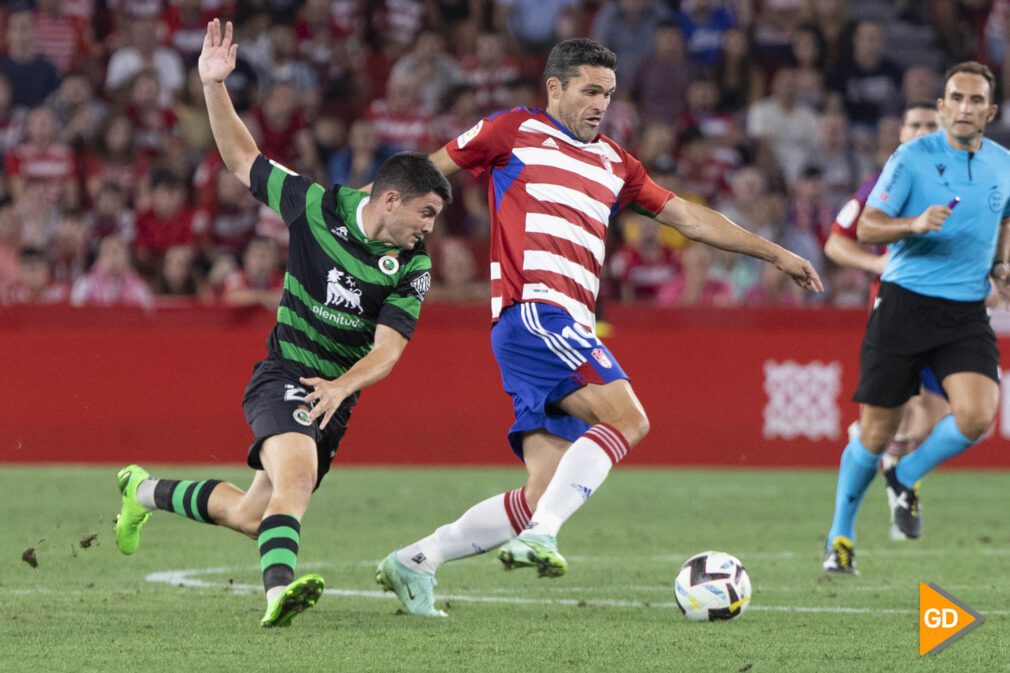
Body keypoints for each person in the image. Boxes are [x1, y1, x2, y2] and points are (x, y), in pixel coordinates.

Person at [375, 37, 822, 617]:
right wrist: (357, 222)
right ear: (554, 87)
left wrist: (775, 253)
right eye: (589, 91)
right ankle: (544, 535)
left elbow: (686, 216)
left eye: (607, 94)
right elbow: (420, 174)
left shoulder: (616, 162)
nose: (599, 104)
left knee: (541, 488)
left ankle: (416, 561)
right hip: (536, 311)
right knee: (629, 418)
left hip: (553, 326)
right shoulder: (512, 130)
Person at [112, 19, 452, 628]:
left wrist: (343, 387)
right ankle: (278, 596)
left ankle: (141, 491)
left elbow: (391, 348)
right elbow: (243, 157)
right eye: (425, 214)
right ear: (392, 200)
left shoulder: (414, 265)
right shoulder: (317, 207)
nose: (429, 229)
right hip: (285, 374)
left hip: (333, 398)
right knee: (294, 478)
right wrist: (215, 86)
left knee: (251, 514)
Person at [822, 62, 1010, 575]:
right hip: (905, 304)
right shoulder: (911, 158)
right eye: (957, 98)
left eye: (977, 101)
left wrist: (1002, 264)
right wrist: (913, 224)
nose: (966, 108)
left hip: (966, 311)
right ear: (944, 106)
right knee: (875, 433)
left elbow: (1006, 217)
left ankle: (906, 475)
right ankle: (840, 534)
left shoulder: (1003, 164)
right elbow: (866, 229)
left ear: (989, 112)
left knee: (976, 416)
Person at [822, 100, 949, 545]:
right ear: (900, 134)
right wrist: (877, 268)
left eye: (928, 125)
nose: (919, 131)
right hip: (897, 308)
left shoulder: (963, 179)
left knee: (936, 418)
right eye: (912, 124)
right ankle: (846, 530)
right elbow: (837, 245)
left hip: (953, 310)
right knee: (904, 407)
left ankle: (898, 470)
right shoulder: (881, 185)